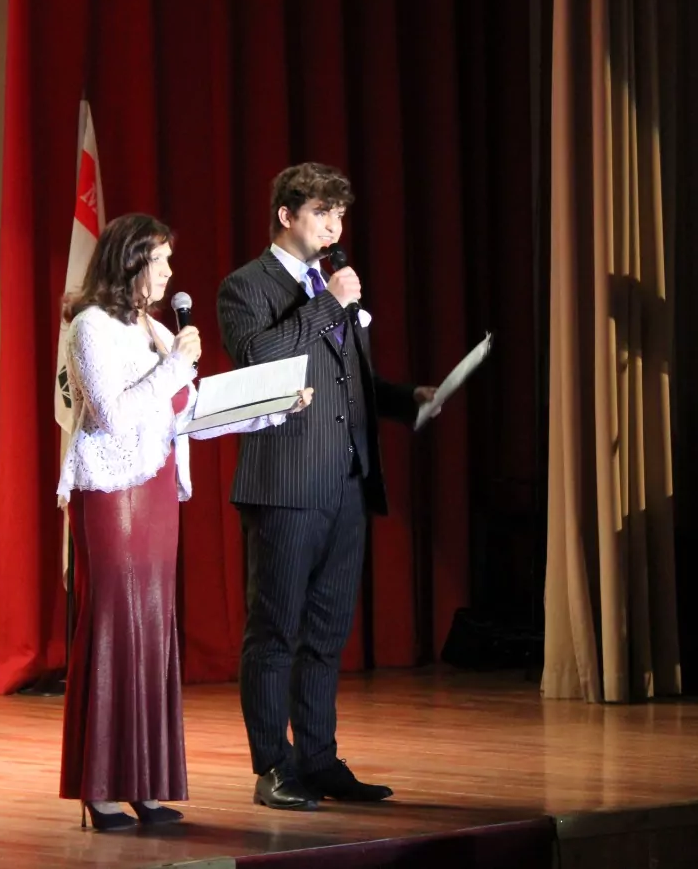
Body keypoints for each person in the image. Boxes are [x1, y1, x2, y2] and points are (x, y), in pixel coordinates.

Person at [57, 213, 313, 833]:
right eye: (162, 261)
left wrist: (272, 408)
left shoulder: (153, 328)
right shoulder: (90, 327)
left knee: (151, 633)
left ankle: (144, 784)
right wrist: (176, 364)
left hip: (155, 493)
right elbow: (114, 415)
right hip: (113, 494)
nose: (171, 272)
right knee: (116, 630)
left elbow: (189, 412)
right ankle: (101, 789)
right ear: (132, 263)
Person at [217, 163, 436, 810]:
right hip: (285, 484)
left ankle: (318, 760)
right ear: (286, 216)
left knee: (325, 633)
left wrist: (406, 400)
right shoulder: (246, 286)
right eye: (321, 213)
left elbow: (350, 380)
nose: (334, 227)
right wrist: (329, 304)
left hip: (346, 482)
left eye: (340, 215)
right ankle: (272, 766)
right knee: (274, 632)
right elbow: (256, 359)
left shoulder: (331, 284)